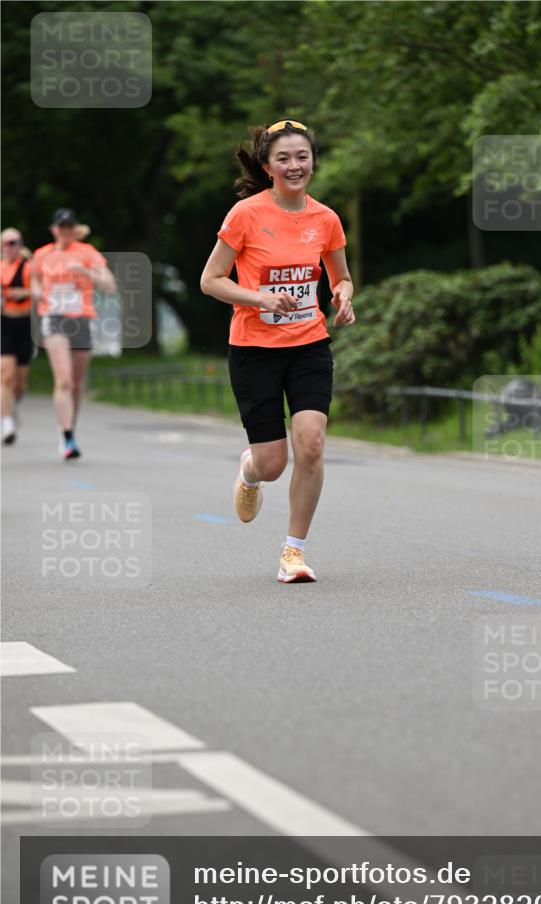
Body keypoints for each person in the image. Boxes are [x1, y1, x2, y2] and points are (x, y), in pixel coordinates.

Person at [201, 119, 355, 583]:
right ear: (267, 166)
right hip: (254, 348)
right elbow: (211, 281)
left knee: (310, 443)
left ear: (312, 162)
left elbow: (340, 275)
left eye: (302, 157)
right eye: (284, 158)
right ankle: (248, 473)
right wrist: (260, 298)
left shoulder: (325, 219)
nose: (294, 165)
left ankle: (294, 551)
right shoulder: (245, 215)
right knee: (273, 463)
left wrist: (344, 295)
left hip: (309, 343)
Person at [31, 208, 116, 459]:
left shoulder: (87, 252)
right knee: (65, 380)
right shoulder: (42, 254)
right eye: (61, 226)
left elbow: (110, 285)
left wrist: (86, 272)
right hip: (54, 318)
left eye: (69, 226)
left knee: (76, 384)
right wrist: (38, 292)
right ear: (54, 229)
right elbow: (34, 280)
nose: (65, 230)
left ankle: (68, 429)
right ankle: (67, 437)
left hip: (82, 319)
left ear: (74, 228)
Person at [1, 228, 33, 445]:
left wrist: (25, 293)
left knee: (20, 383)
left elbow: (44, 291)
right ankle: (7, 423)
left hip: (26, 324)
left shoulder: (30, 268)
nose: (11, 247)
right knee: (6, 375)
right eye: (8, 243)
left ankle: (11, 406)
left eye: (15, 243)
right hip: (4, 323)